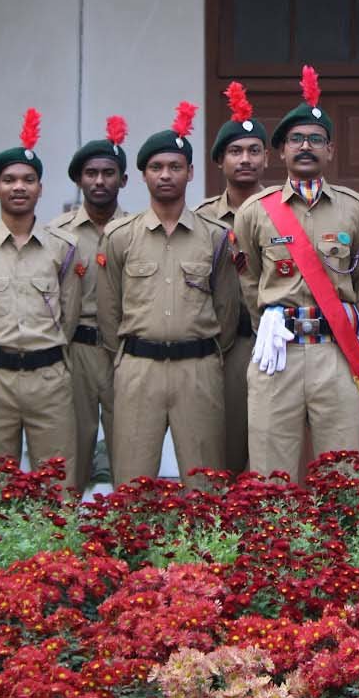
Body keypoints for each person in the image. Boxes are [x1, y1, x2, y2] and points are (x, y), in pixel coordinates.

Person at [234, 66, 359, 477]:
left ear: (330, 151)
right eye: (296, 139)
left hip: (336, 353)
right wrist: (271, 326)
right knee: (271, 474)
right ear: (281, 152)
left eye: (316, 140)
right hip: (276, 353)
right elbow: (249, 283)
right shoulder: (254, 212)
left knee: (343, 475)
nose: (305, 147)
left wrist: (352, 337)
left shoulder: (356, 209)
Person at [98, 102, 238, 487]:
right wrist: (126, 358)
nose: (165, 175)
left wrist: (205, 352)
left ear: (190, 172)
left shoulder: (215, 237)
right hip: (138, 367)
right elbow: (109, 310)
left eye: (175, 167)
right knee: (133, 478)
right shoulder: (120, 237)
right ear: (143, 175)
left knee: (205, 480)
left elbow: (226, 309)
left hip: (198, 367)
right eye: (156, 167)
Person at [0, 109, 81, 474]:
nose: (19, 187)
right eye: (9, 180)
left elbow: (69, 313)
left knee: (56, 476)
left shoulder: (63, 247)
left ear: (40, 188)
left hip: (49, 377)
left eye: (29, 179)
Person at [48, 116, 130, 490]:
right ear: (79, 180)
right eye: (91, 173)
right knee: (71, 451)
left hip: (123, 351)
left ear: (123, 180)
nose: (99, 181)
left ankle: (128, 521)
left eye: (108, 173)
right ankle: (67, 524)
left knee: (128, 448)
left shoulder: (136, 230)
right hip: (76, 349)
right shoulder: (56, 233)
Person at [194, 82, 267, 473]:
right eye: (235, 152)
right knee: (225, 453)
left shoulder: (283, 211)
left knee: (277, 451)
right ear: (219, 161)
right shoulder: (200, 220)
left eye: (254, 151)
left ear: (267, 158)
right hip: (224, 346)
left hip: (278, 342)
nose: (245, 159)